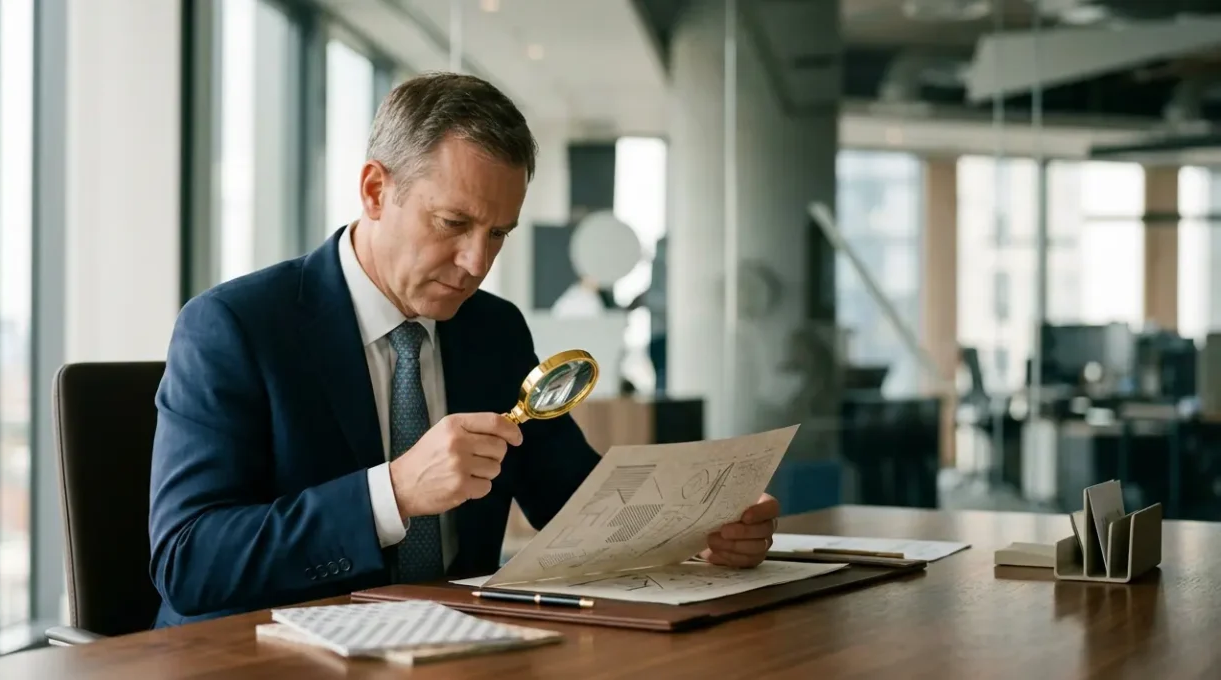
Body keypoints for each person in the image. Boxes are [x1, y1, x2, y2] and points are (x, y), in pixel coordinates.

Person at [147, 72, 778, 628]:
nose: (477, 263)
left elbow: (572, 502)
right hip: (265, 656)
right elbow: (187, 562)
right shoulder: (233, 327)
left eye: (498, 233)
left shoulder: (493, 330)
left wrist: (699, 527)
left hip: (462, 645)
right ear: (375, 190)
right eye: (453, 224)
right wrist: (394, 493)